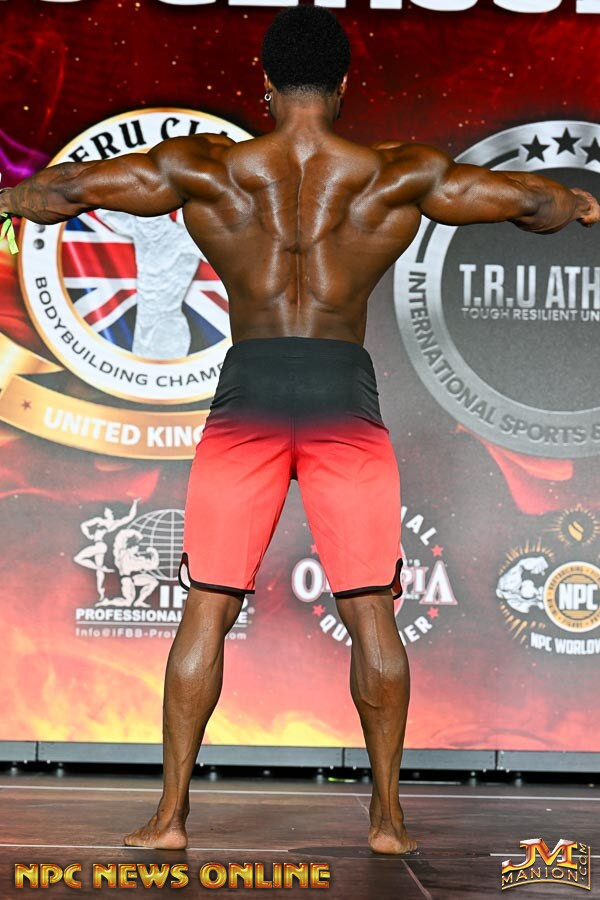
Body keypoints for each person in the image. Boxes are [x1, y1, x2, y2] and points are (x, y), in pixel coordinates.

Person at [2, 5, 598, 857]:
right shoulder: (396, 174)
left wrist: (9, 197)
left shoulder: (206, 168)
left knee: (207, 606)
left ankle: (170, 818)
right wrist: (574, 204)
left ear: (266, 84)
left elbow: (67, 193)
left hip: (248, 396)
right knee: (373, 610)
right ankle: (387, 821)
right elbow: (530, 202)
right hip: (340, 400)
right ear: (344, 86)